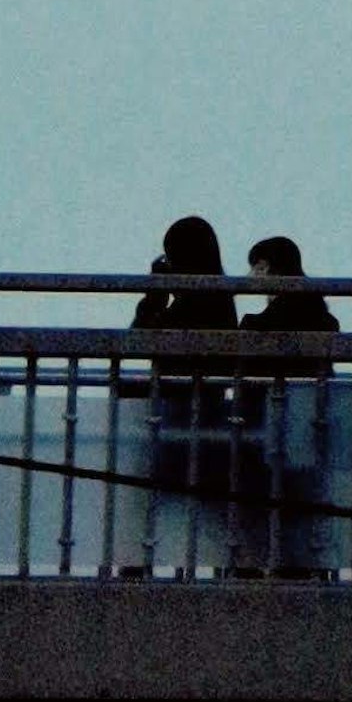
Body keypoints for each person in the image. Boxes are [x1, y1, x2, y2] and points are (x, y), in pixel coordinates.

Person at [243, 234, 344, 571]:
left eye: (255, 268)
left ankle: (254, 563)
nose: (250, 279)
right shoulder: (323, 318)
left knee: (259, 501)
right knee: (303, 507)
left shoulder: (261, 325)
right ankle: (306, 564)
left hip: (272, 431)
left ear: (267, 268)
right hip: (315, 429)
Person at [131, 215, 240, 519]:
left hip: (182, 410)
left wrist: (156, 292)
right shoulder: (221, 296)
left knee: (149, 503)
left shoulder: (196, 301)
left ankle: (134, 562)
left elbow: (141, 336)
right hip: (207, 409)